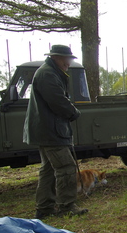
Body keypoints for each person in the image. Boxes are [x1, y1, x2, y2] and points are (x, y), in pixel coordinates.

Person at [23, 45, 86, 219]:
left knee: (49, 169)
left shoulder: (49, 72)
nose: (69, 63)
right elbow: (58, 101)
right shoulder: (48, 74)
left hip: (47, 130)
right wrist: (74, 113)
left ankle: (44, 208)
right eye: (67, 59)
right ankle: (67, 206)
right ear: (58, 58)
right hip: (50, 131)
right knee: (66, 166)